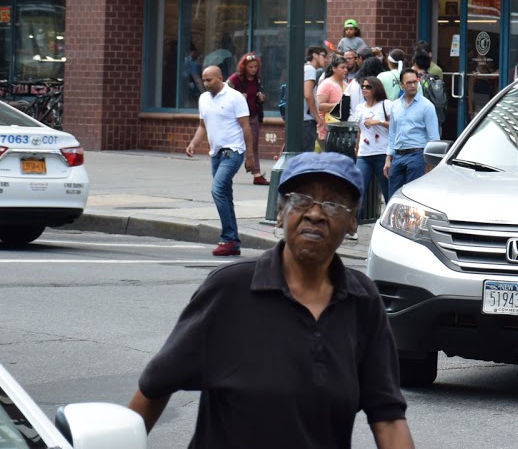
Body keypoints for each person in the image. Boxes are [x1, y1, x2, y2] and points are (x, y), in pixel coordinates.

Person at [128, 152, 414, 449]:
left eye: (332, 203)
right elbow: (153, 388)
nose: (315, 213)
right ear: (281, 212)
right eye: (301, 199)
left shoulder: (362, 301)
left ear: (353, 220)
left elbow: (388, 418)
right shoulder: (230, 290)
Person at [185, 65, 258, 257]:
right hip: (216, 154)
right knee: (225, 195)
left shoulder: (235, 97)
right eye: (204, 80)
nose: (206, 83)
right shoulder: (203, 99)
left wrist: (250, 157)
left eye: (210, 79)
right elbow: (203, 126)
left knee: (217, 189)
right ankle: (233, 241)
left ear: (220, 77)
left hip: (233, 152)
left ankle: (227, 238)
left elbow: (246, 128)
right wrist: (193, 143)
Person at [386, 69, 440, 194]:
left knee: (412, 196)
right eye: (409, 82)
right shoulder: (395, 106)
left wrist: (431, 163)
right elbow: (392, 133)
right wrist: (388, 158)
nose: (413, 85)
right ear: (401, 85)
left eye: (415, 82)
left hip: (417, 154)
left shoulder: (427, 106)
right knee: (393, 196)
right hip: (398, 155)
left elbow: (434, 138)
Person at [352, 77, 392, 222]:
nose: (364, 89)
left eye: (368, 87)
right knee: (357, 189)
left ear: (375, 88)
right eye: (363, 86)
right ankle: (352, 226)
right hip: (364, 153)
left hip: (382, 153)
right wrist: (357, 147)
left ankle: (391, 223)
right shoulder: (360, 108)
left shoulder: (386, 104)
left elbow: (394, 126)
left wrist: (379, 122)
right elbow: (359, 130)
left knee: (388, 191)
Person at [227, 51, 269, 186]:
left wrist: (260, 97)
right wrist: (238, 95)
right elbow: (224, 91)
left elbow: (257, 94)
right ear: (244, 67)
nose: (253, 70)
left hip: (252, 115)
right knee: (234, 146)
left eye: (255, 67)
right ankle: (227, 173)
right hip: (237, 118)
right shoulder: (236, 78)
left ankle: (256, 174)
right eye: (250, 67)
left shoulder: (257, 80)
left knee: (254, 145)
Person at [303, 45, 328, 152]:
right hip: (306, 120)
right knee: (306, 155)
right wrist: (317, 117)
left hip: (300, 120)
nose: (326, 60)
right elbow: (308, 95)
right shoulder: (310, 69)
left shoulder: (304, 68)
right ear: (315, 56)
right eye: (324, 56)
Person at [317, 57, 351, 134]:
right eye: (342, 67)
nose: (346, 70)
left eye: (347, 68)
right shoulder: (326, 84)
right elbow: (319, 105)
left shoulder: (346, 85)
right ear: (334, 69)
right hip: (327, 128)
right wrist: (339, 105)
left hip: (342, 128)